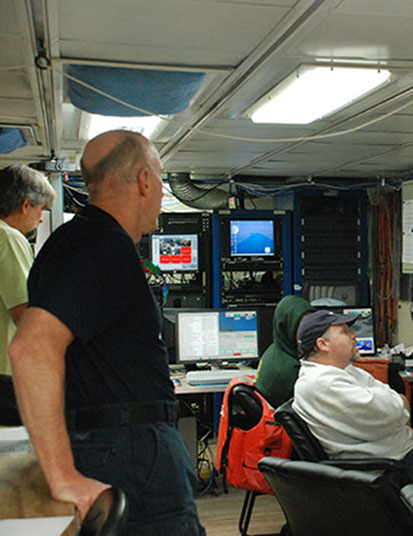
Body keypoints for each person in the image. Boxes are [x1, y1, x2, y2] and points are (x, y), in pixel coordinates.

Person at [8, 130, 205, 534]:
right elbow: (30, 348)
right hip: (131, 447)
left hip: (114, 440)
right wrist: (62, 475)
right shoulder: (99, 245)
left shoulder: (76, 241)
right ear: (145, 181)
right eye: (162, 178)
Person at [293, 309, 413, 499]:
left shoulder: (342, 371)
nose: (354, 335)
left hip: (400, 457)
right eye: (345, 332)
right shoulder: (324, 383)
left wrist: (395, 406)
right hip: (397, 471)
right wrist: (397, 405)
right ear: (323, 344)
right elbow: (396, 409)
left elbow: (392, 403)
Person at [0, 164, 55, 425]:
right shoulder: (8, 238)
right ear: (24, 204)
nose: (41, 218)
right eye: (41, 209)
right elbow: (24, 314)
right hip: (6, 376)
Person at [254, 294, 314, 408]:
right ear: (286, 326)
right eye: (302, 326)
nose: (309, 331)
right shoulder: (290, 370)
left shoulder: (277, 350)